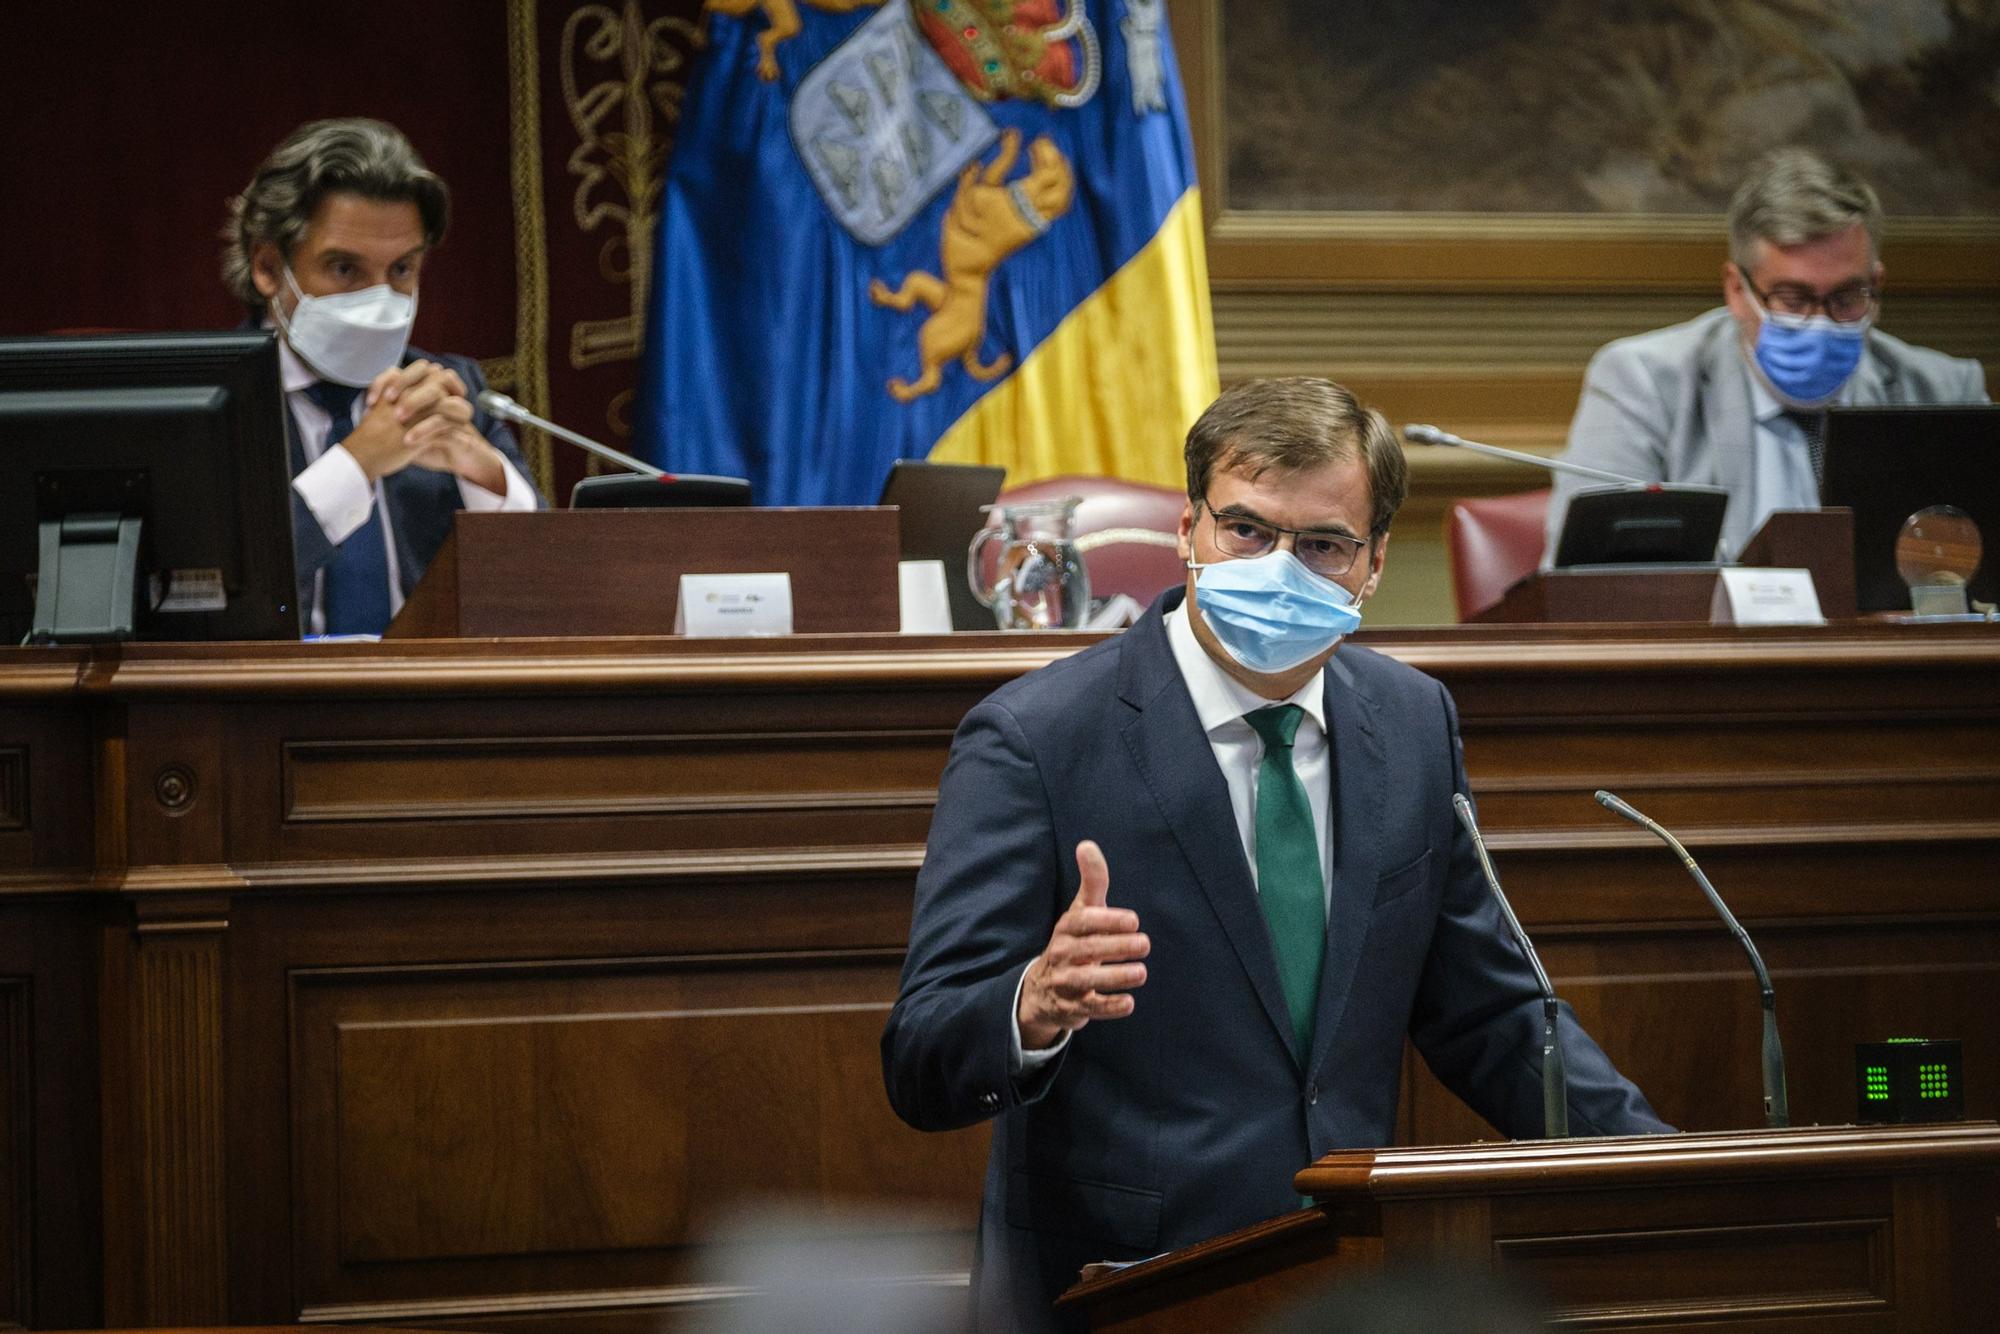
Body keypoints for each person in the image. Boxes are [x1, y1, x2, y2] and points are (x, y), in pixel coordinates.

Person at [881, 377, 1667, 1332]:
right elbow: (922, 1057)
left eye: (1324, 545)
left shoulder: (1411, 722)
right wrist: (1031, 1006)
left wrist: (1662, 1172)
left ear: (1375, 564)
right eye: (1246, 531)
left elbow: (1491, 1013)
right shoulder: (1037, 739)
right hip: (1120, 1291)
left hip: (1347, 1282)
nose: (1278, 566)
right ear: (1188, 530)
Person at [1544, 148, 1989, 564]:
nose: (1821, 322)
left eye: (1846, 297)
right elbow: (1589, 582)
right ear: (1737, 291)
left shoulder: (1946, 391)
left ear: (1877, 286)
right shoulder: (1643, 383)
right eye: (1793, 299)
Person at [223, 118, 543, 635]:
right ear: (267, 267)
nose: (378, 299)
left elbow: (545, 586)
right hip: (267, 703)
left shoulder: (449, 389)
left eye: (401, 270)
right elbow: (215, 593)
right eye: (345, 269)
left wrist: (486, 477)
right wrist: (358, 463)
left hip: (427, 702)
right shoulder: (211, 402)